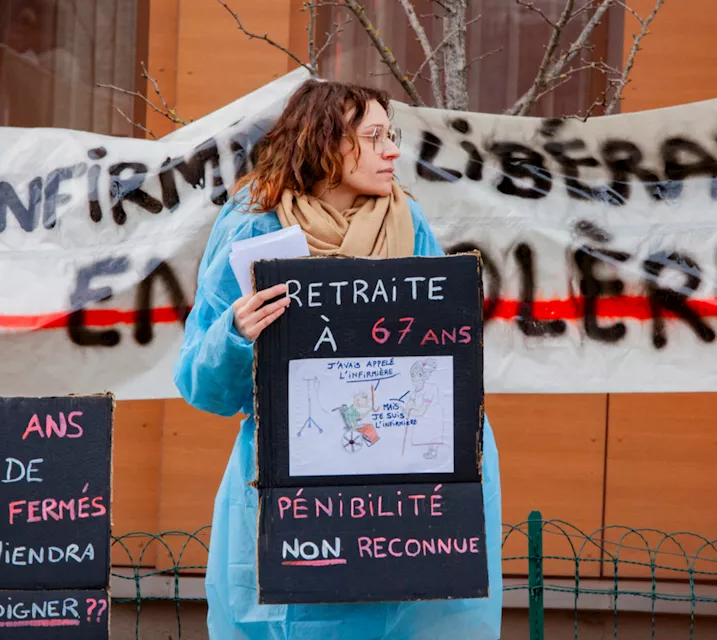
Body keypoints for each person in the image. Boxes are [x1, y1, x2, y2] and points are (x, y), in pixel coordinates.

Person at [173, 79, 504, 639]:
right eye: (373, 137)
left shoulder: (408, 223)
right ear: (323, 143)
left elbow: (441, 354)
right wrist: (235, 333)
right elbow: (204, 388)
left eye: (389, 135)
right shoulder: (254, 227)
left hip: (409, 475)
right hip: (300, 483)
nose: (392, 150)